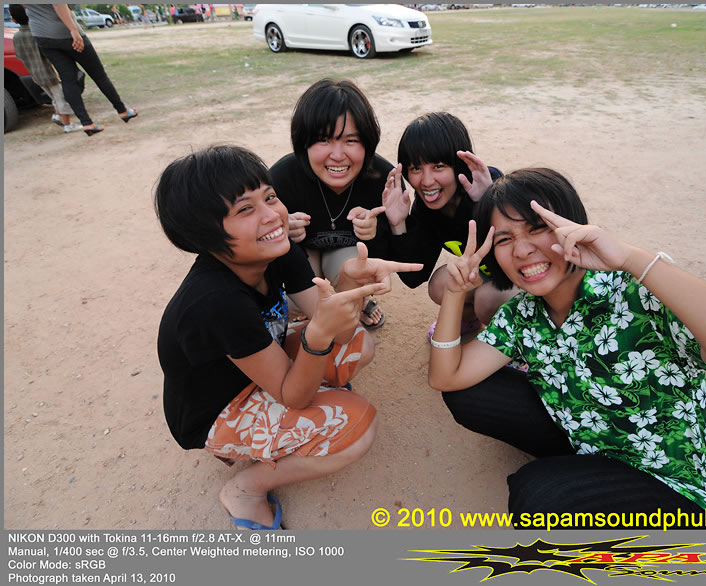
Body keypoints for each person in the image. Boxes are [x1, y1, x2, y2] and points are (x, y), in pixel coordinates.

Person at [427, 168, 706, 528]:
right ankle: (580, 473)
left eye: (537, 227)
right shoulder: (523, 314)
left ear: (571, 225)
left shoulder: (637, 293)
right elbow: (446, 376)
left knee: (537, 496)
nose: (522, 250)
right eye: (505, 239)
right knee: (469, 394)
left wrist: (634, 259)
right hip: (589, 440)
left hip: (669, 483)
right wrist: (456, 294)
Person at [155, 145, 421, 529]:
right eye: (245, 210)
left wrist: (348, 283)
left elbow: (343, 332)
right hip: (218, 407)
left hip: (260, 368)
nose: (272, 215)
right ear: (205, 235)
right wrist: (316, 337)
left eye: (269, 197)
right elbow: (294, 393)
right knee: (357, 427)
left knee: (358, 345)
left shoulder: (278, 251)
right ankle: (245, 489)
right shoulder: (215, 301)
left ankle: (285, 425)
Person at [270, 79, 397, 329]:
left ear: (367, 143)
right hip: (302, 255)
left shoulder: (383, 178)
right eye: (323, 140)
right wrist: (281, 229)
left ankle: (359, 302)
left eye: (351, 141)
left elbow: (395, 248)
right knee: (294, 302)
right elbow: (253, 238)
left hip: (346, 254)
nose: (337, 155)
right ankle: (308, 307)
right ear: (303, 142)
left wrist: (376, 231)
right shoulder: (281, 178)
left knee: (357, 271)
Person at [382, 112, 512, 336]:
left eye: (439, 166)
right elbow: (415, 277)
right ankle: (469, 320)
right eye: (416, 169)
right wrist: (399, 224)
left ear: (460, 163)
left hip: (521, 278)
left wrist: (486, 203)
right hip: (485, 275)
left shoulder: (487, 182)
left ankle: (523, 338)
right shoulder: (426, 208)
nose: (426, 181)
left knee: (487, 299)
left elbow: (520, 246)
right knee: (440, 285)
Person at [23, 3, 138, 136]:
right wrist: (73, 30)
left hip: (41, 34)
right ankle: (122, 111)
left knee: (67, 78)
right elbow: (59, 4)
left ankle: (86, 122)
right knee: (99, 75)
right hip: (64, 31)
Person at [8, 4, 82, 133]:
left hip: (35, 74)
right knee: (60, 97)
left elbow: (20, 56)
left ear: (14, 20)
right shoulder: (37, 34)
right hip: (49, 72)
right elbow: (48, 54)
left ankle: (57, 115)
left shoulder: (16, 37)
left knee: (54, 97)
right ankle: (67, 125)